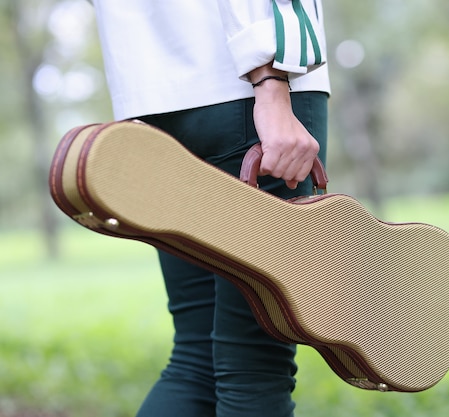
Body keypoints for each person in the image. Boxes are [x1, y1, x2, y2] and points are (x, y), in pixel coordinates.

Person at [88, 1, 331, 416]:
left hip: (153, 101)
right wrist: (271, 80)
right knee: (256, 368)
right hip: (244, 88)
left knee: (195, 360)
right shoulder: (264, 83)